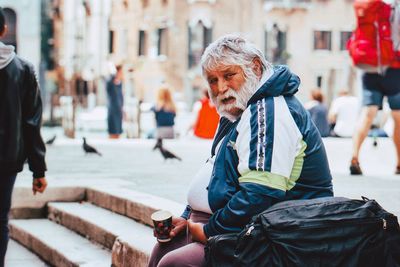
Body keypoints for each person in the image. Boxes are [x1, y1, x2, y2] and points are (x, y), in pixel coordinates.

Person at [148, 34, 333, 267]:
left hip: (278, 234)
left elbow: (261, 193)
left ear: (254, 68)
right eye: (213, 80)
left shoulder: (269, 111)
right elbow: (216, 173)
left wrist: (208, 230)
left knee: (175, 263)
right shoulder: (239, 110)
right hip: (234, 224)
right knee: (162, 250)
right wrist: (186, 218)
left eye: (228, 75)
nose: (221, 88)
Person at [0, 7, 47, 267]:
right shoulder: (24, 70)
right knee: (0, 220)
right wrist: (38, 171)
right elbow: (32, 124)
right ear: (4, 29)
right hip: (6, 160)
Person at [350, 69, 400, 175]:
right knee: (397, 117)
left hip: (370, 70)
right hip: (394, 71)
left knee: (367, 114)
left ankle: (355, 157)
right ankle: (399, 163)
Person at [106, 65, 124, 139]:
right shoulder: (110, 83)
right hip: (113, 110)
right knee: (113, 131)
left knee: (118, 132)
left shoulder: (119, 84)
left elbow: (121, 98)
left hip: (119, 110)